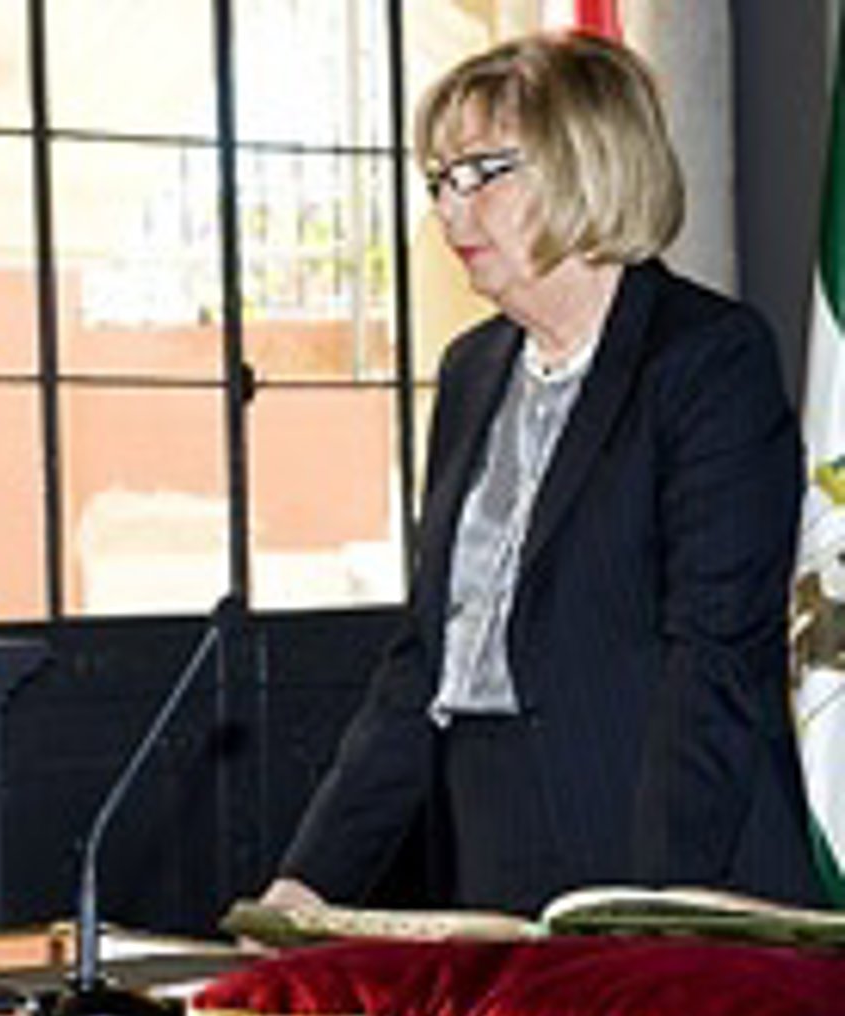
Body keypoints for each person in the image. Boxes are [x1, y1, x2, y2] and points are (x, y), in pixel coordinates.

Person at [263, 32, 821, 918]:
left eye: (484, 172)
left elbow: (715, 659)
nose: (452, 210)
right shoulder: (471, 371)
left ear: (589, 164)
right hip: (494, 862)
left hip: (675, 863)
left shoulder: (706, 358)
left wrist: (651, 904)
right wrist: (305, 887)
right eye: (440, 180)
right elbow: (426, 663)